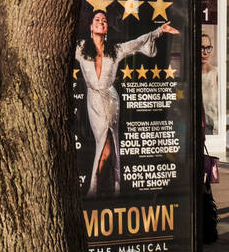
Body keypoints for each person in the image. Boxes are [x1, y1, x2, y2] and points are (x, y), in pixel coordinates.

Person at [75, 10, 179, 197]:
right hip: (94, 101)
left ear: (107, 28)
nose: (101, 22)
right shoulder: (81, 48)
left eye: (104, 20)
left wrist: (159, 31)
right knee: (101, 144)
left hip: (111, 99)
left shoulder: (115, 50)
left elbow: (137, 42)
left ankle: (102, 189)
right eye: (97, 20)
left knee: (111, 145)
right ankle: (98, 187)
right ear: (91, 26)